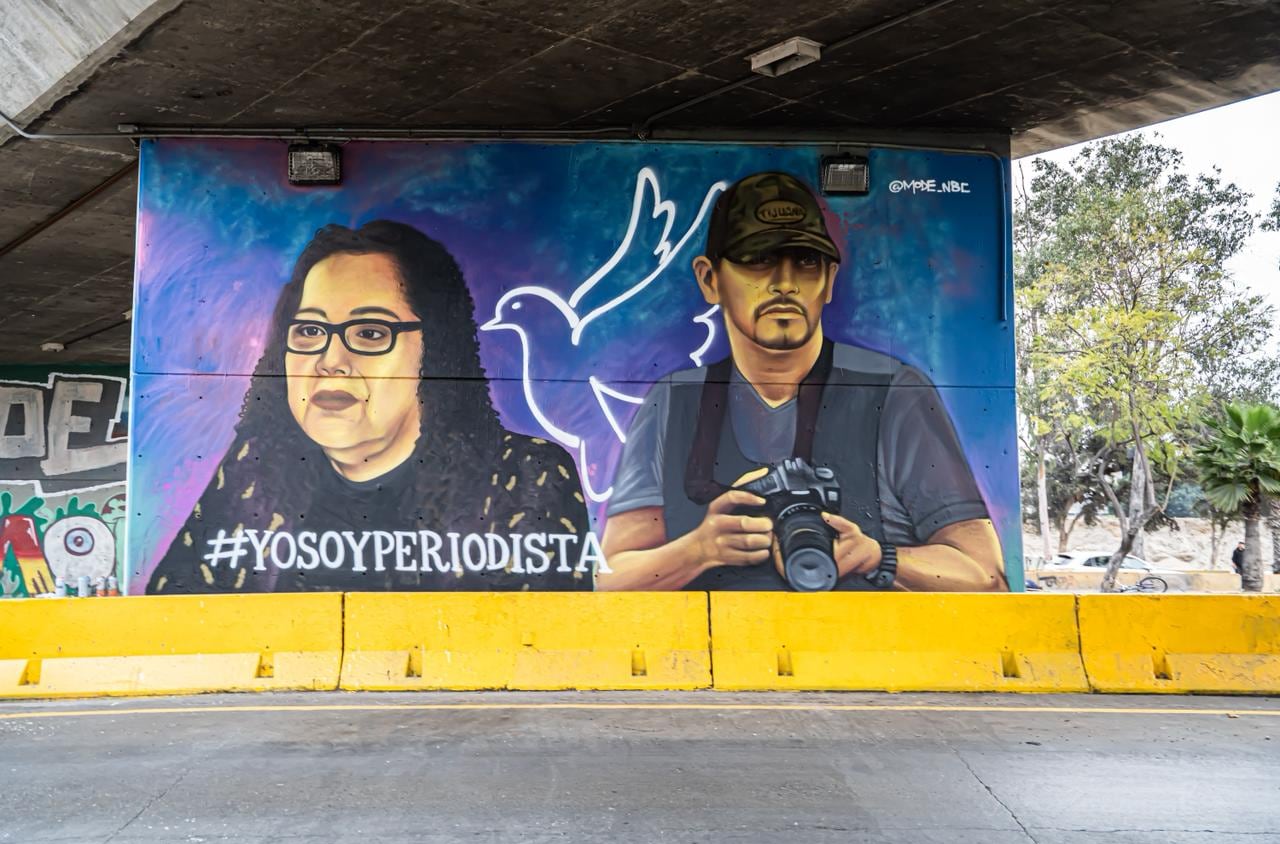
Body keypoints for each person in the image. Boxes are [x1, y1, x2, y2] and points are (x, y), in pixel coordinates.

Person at [600, 172, 1006, 592]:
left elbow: (985, 575)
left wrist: (876, 556)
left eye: (806, 262)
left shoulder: (892, 393)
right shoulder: (674, 402)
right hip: (709, 654)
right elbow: (609, 579)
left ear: (829, 279)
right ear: (709, 279)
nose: (785, 284)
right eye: (758, 260)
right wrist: (699, 550)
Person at [148, 220, 591, 593]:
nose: (330, 361)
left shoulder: (527, 475)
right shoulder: (255, 469)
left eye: (370, 333)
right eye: (308, 332)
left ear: (435, 350)